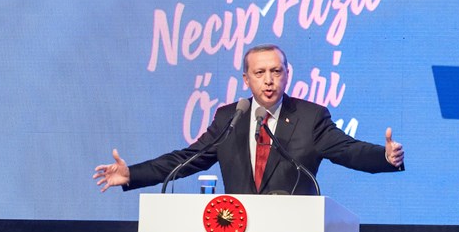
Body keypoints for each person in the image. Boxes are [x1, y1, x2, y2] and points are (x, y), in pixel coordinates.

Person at [94, 44, 404, 195]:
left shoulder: (310, 117)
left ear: (286, 75)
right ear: (247, 79)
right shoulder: (231, 117)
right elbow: (188, 159)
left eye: (276, 71)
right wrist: (132, 174)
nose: (269, 80)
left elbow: (348, 150)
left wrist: (385, 157)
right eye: (260, 73)